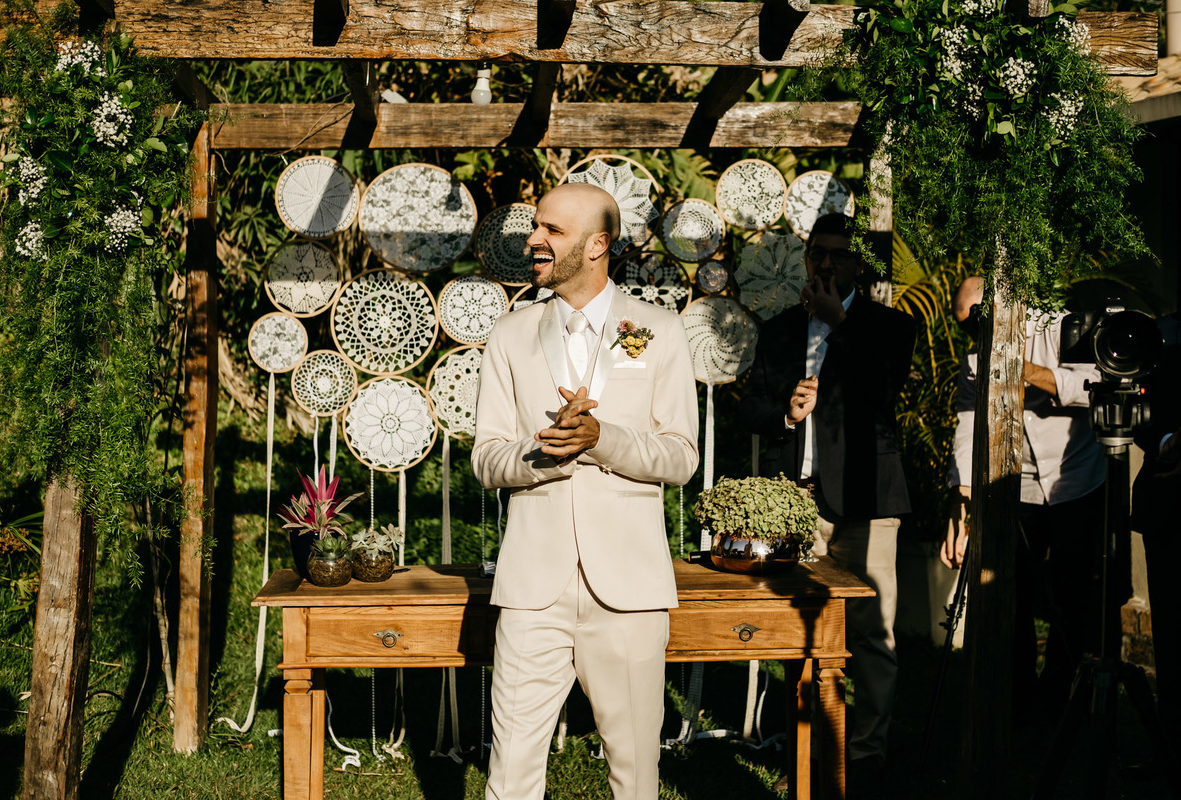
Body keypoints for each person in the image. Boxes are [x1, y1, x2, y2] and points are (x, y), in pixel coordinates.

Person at [471, 182, 699, 800]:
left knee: (634, 776)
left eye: (552, 230)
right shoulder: (510, 335)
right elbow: (487, 459)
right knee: (510, 773)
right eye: (536, 227)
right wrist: (544, 455)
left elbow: (681, 454)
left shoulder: (656, 331)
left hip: (628, 590)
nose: (533, 240)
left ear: (598, 245)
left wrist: (600, 438)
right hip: (531, 592)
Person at [739, 213, 915, 789]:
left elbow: (884, 392)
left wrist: (841, 324)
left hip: (867, 501)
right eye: (818, 253)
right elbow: (751, 408)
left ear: (857, 263)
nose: (825, 264)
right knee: (797, 629)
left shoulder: (889, 327)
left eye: (839, 255)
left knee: (871, 631)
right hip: (796, 502)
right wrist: (785, 414)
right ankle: (804, 737)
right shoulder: (781, 329)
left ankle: (865, 752)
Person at [941, 276, 1107, 712]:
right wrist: (960, 503)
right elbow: (966, 422)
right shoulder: (976, 357)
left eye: (977, 322)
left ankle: (1062, 694)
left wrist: (1024, 371)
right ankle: (1016, 699)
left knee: (1072, 595)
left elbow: (1095, 385)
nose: (973, 336)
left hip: (1077, 478)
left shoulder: (1061, 325)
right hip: (1016, 483)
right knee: (1010, 591)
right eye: (965, 328)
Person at [1133, 311, 1181, 758]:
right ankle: (1172, 745)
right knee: (1171, 630)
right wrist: (1167, 442)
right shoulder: (1162, 332)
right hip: (1170, 502)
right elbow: (1141, 415)